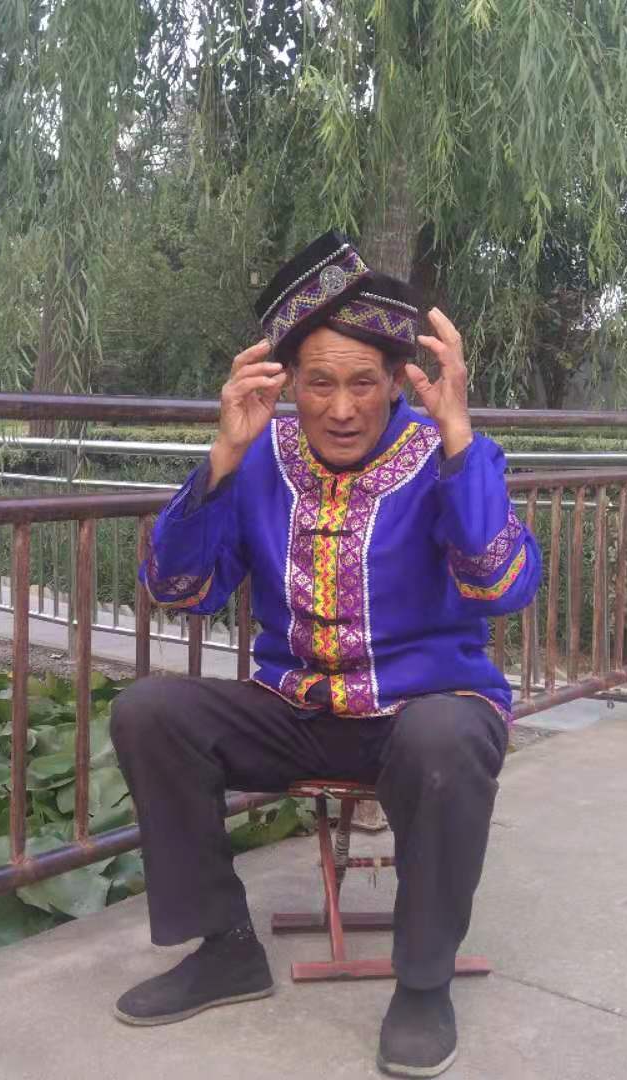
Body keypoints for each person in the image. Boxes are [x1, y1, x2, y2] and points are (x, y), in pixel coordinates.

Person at [110, 231, 543, 1077]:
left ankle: (423, 983)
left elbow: (503, 585)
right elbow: (179, 588)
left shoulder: (449, 457)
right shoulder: (261, 458)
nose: (341, 409)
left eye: (362, 383)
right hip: (296, 709)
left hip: (426, 712)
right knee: (149, 712)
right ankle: (225, 948)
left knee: (443, 739)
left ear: (396, 384)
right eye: (319, 384)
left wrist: (459, 436)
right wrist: (222, 458)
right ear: (289, 385)